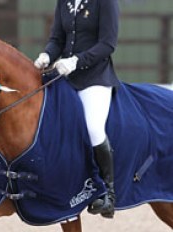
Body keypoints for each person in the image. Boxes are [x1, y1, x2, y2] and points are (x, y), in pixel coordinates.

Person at [34, 0, 120, 218]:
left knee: (93, 128)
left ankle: (108, 194)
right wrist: (47, 55)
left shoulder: (105, 2)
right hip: (65, 76)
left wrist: (77, 60)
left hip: (95, 77)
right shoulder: (64, 1)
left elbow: (108, 44)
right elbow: (57, 39)